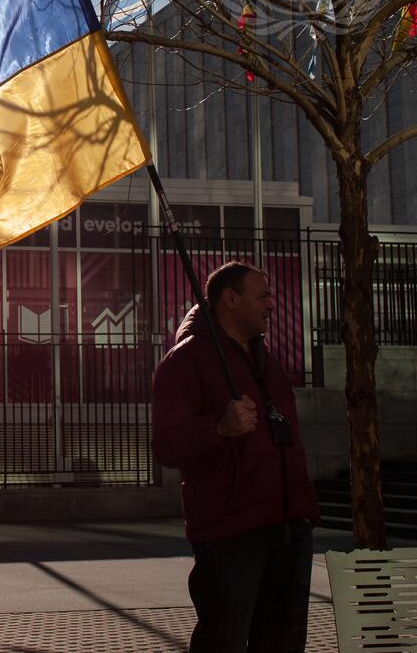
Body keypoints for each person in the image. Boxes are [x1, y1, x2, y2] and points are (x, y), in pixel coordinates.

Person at [152, 261, 320, 653]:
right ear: (230, 298)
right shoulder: (185, 361)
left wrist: (305, 513)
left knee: (283, 643)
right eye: (262, 296)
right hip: (231, 534)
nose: (271, 305)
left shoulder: (268, 362)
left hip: (290, 527)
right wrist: (218, 429)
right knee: (222, 642)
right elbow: (167, 446)